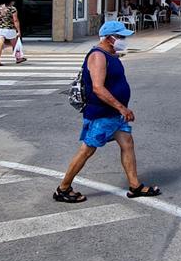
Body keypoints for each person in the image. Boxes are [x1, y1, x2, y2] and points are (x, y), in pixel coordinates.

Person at [54, 21, 161, 202]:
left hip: (115, 114)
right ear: (110, 37)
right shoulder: (98, 56)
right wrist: (122, 108)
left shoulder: (111, 53)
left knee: (127, 144)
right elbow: (98, 88)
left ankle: (135, 186)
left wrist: (120, 109)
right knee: (87, 150)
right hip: (103, 113)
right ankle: (63, 188)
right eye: (120, 36)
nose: (123, 40)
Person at [0, 0, 25, 66]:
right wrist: (18, 31)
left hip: (1, 29)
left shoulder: (0, 7)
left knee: (0, 45)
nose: (14, 2)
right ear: (11, 2)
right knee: (15, 45)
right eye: (13, 1)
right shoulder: (13, 8)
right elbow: (15, 20)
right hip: (10, 30)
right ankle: (18, 59)